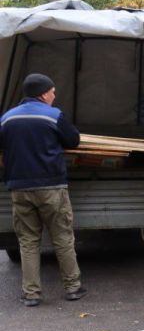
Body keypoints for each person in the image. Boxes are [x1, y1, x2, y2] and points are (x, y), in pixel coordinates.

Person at [0, 73, 84, 307]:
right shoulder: (53, 115)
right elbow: (73, 140)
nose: (54, 96)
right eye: (53, 92)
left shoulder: (6, 118)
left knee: (28, 241)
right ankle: (73, 288)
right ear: (43, 93)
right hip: (51, 188)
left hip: (19, 188)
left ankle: (31, 294)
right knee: (62, 237)